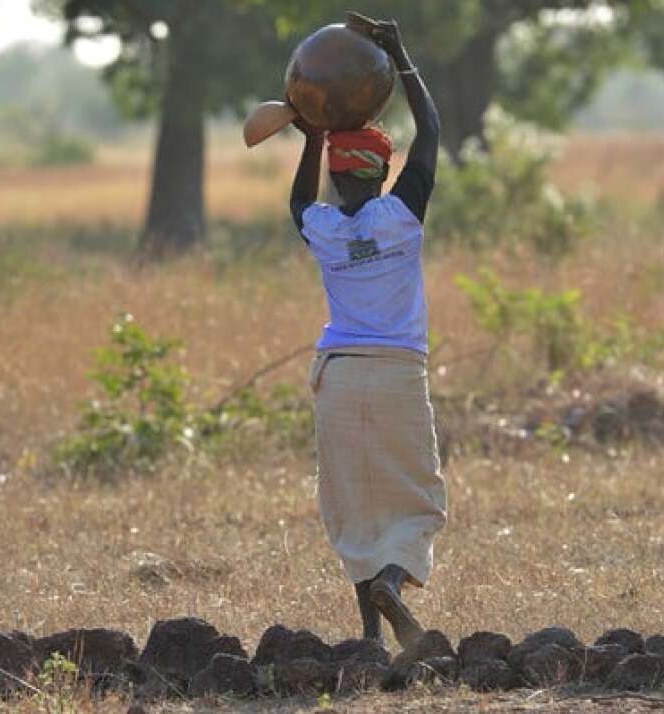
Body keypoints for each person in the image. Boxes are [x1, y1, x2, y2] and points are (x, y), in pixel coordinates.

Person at [289, 19, 446, 649]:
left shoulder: (323, 229)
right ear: (382, 172)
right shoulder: (401, 216)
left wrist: (311, 134)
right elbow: (431, 131)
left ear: (334, 176)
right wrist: (402, 54)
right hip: (397, 373)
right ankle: (391, 579)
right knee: (416, 501)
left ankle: (369, 640)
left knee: (352, 504)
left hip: (338, 372)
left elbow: (296, 203)